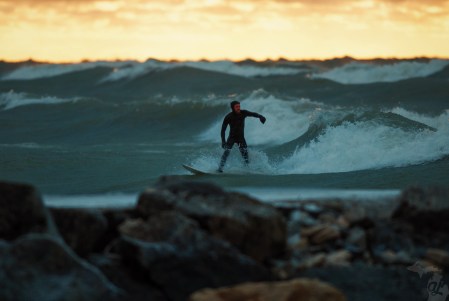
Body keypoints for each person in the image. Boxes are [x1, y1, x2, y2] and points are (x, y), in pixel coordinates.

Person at [217, 101, 266, 172]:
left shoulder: (243, 113)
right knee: (226, 152)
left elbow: (253, 114)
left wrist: (260, 116)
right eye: (236, 107)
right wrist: (223, 141)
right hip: (232, 137)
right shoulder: (228, 117)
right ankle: (220, 168)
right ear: (233, 108)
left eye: (239, 106)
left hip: (241, 138)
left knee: (245, 154)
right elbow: (223, 130)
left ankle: (247, 169)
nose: (238, 108)